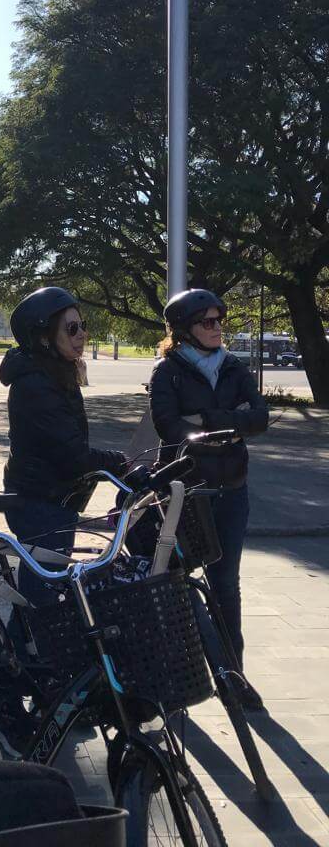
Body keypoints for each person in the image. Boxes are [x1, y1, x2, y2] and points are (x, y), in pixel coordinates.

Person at [0, 287, 127, 751]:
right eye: (71, 328)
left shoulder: (56, 373)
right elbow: (70, 452)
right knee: (38, 607)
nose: (82, 334)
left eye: (82, 325)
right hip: (39, 506)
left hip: (56, 503)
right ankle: (8, 706)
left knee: (42, 601)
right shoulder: (35, 383)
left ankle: (47, 691)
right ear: (44, 336)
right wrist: (120, 462)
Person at [149, 289, 269, 711]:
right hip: (186, 494)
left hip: (232, 490)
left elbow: (259, 417)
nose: (218, 328)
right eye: (208, 322)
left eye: (220, 320)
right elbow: (169, 426)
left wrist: (210, 423)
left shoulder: (235, 367)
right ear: (184, 330)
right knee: (176, 587)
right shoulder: (169, 372)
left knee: (226, 585)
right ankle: (178, 678)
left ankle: (234, 676)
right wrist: (230, 425)